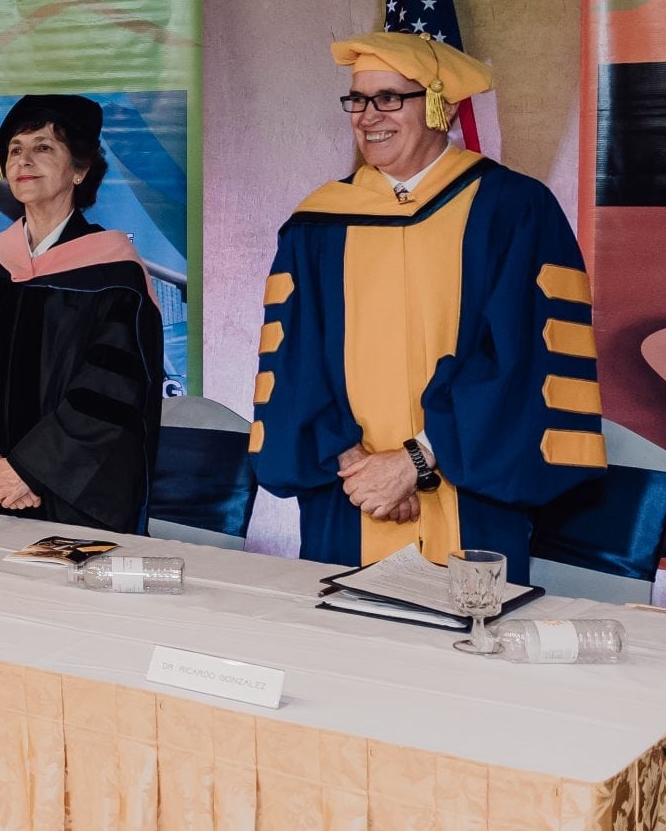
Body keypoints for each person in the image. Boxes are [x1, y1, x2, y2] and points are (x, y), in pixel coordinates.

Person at [252, 31, 606, 579]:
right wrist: (355, 466)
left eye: (390, 98)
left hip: (472, 490)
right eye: (358, 99)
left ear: (441, 106)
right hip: (349, 495)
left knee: (470, 624)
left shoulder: (511, 209)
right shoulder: (318, 222)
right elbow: (294, 360)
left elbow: (525, 357)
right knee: (342, 626)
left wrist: (415, 460)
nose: (369, 116)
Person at [0, 95, 165, 532]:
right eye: (14, 149)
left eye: (43, 147)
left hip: (70, 497)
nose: (24, 160)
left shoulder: (113, 273)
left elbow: (110, 391)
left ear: (79, 169)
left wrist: (30, 469)